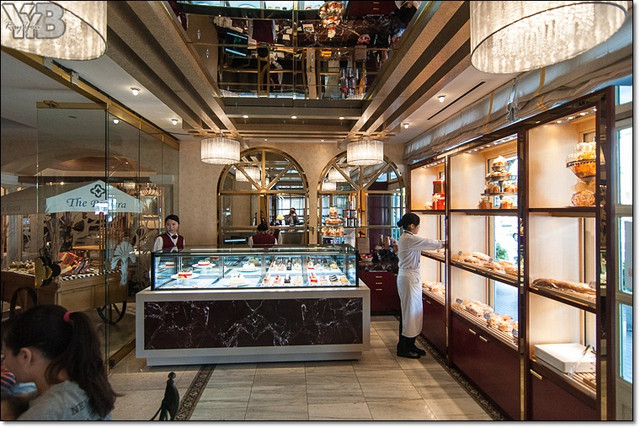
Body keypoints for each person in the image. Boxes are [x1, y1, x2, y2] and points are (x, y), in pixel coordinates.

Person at [1, 305, 119, 420]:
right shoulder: (89, 382)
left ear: (25, 356)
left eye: (4, 356)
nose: (4, 363)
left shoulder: (41, 414)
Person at [395, 212, 444, 359]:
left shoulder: (407, 238)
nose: (418, 228)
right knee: (409, 314)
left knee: (413, 312)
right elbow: (430, 243)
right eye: (418, 226)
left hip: (410, 277)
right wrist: (446, 242)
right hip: (408, 278)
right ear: (412, 226)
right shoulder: (409, 238)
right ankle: (403, 348)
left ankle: (410, 344)